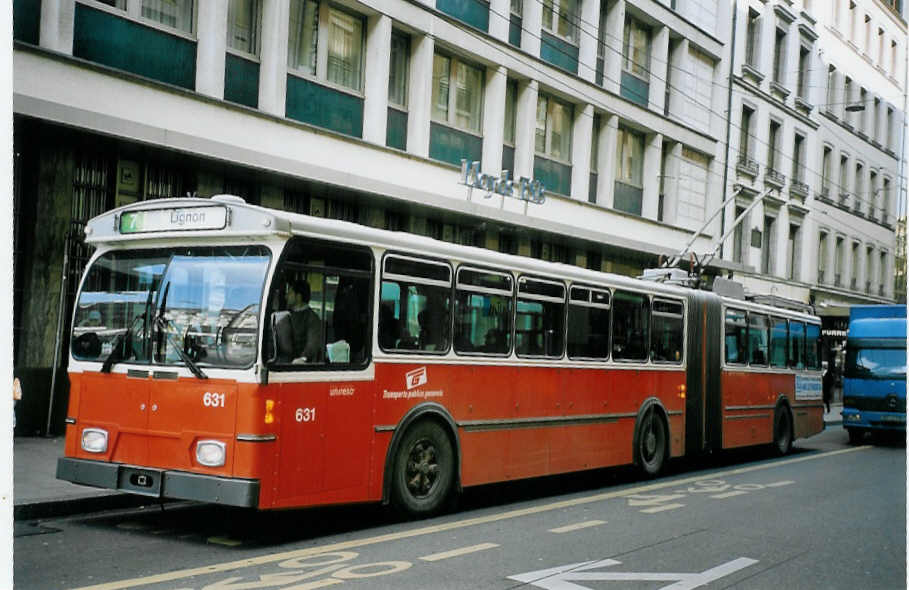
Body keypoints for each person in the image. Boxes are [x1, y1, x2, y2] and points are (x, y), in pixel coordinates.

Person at [285, 279, 322, 363]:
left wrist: (302, 358)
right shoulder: (286, 313)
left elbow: (312, 345)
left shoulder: (312, 318)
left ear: (298, 296)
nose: (286, 296)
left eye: (290, 293)